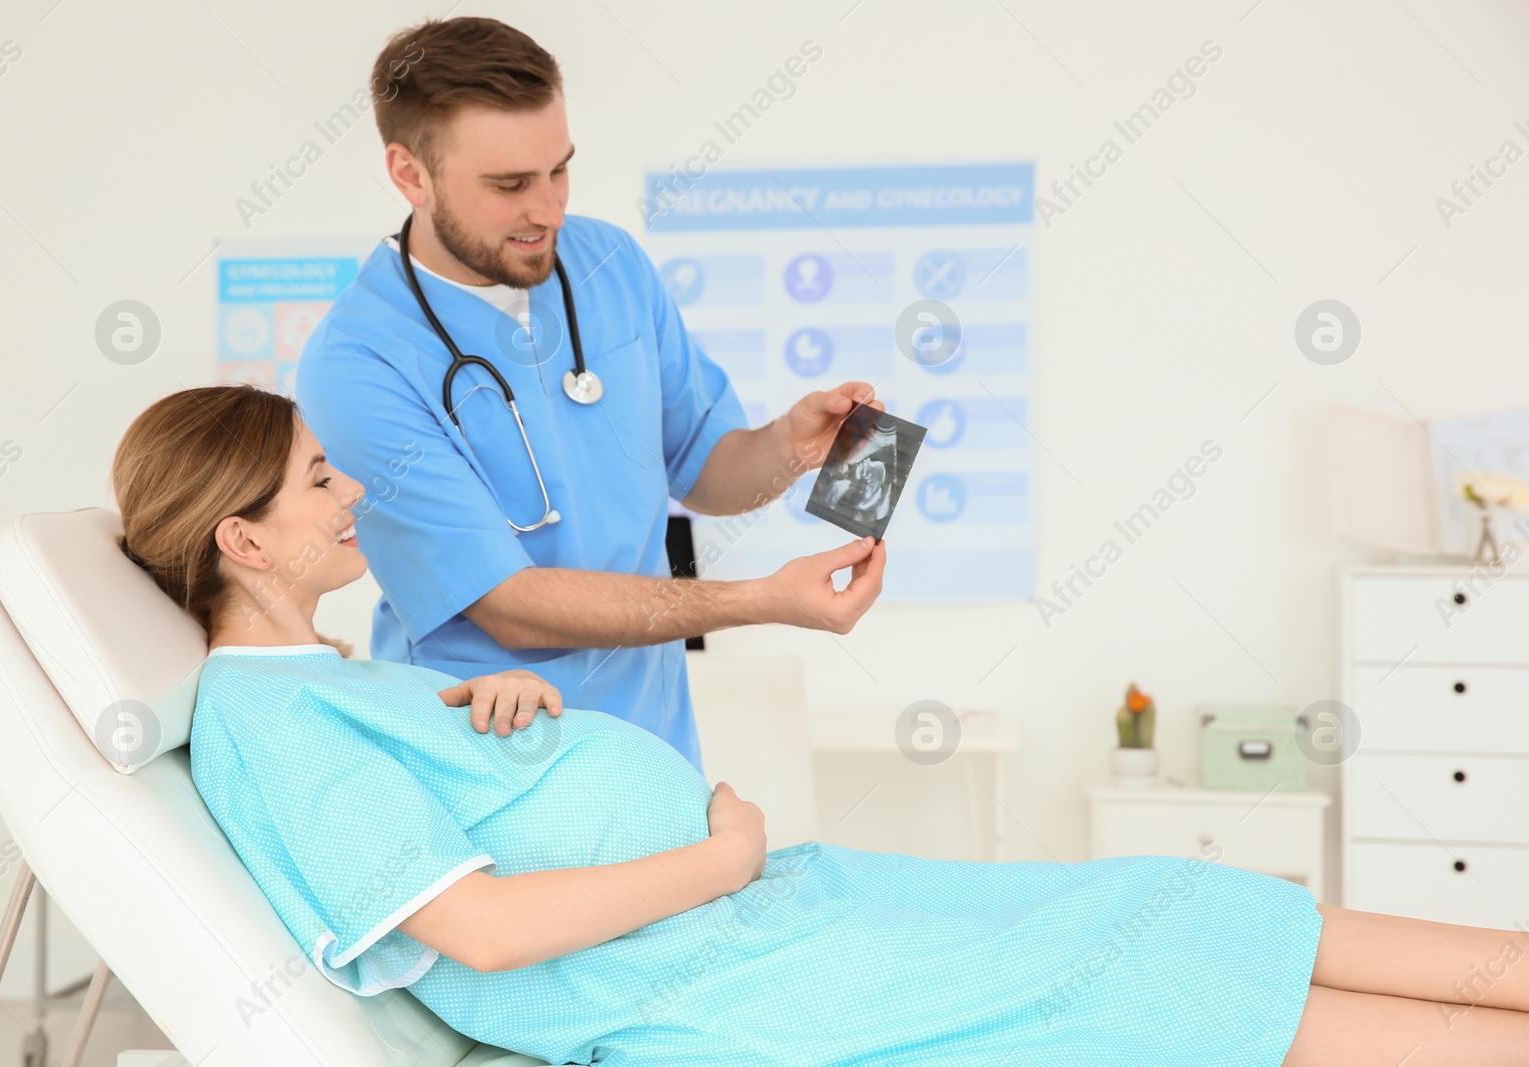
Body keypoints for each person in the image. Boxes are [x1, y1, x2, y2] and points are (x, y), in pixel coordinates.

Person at [115, 384, 1529, 1067]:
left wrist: (509, 701)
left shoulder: (333, 674)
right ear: (242, 536)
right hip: (710, 979)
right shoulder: (267, 723)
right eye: (317, 479)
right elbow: (475, 932)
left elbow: (444, 796)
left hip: (770, 914)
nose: (351, 486)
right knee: (1142, 982)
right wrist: (722, 860)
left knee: (1176, 896)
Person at [294, 16, 886, 772]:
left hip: (654, 751)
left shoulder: (610, 264)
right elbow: (508, 603)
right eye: (510, 185)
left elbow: (706, 470)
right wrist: (763, 599)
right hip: (492, 767)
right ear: (410, 174)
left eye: (559, 170)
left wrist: (785, 448)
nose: (549, 210)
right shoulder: (356, 362)